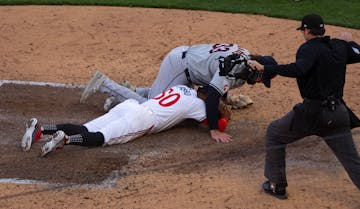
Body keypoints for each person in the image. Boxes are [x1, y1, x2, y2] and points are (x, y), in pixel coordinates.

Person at [249, 13, 360, 199]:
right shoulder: (339, 46)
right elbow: (358, 53)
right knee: (352, 160)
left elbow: (299, 69)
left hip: (313, 113)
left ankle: (276, 185)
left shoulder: (308, 48)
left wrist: (265, 68)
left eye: (303, 31)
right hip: (339, 113)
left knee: (275, 133)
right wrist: (350, 42)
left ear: (307, 30)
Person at [79, 43, 277, 143]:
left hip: (190, 64)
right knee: (152, 103)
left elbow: (216, 86)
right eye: (262, 78)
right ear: (257, 68)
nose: (260, 82)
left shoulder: (243, 58)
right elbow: (210, 95)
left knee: (161, 97)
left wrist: (228, 99)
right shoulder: (237, 69)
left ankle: (128, 92)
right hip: (180, 66)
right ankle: (105, 84)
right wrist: (214, 129)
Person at [20, 85, 232, 156]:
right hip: (142, 119)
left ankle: (42, 129)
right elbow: (218, 124)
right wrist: (223, 113)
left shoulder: (180, 88)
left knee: (86, 127)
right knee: (102, 137)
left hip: (130, 106)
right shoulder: (200, 107)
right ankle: (65, 140)